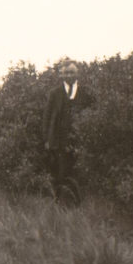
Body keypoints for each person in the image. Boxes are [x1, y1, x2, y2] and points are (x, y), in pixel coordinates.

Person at [43, 59, 94, 205]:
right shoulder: (55, 93)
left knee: (79, 172)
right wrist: (47, 139)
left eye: (72, 72)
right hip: (59, 141)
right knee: (60, 173)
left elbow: (92, 113)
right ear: (61, 75)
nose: (69, 75)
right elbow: (47, 117)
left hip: (79, 139)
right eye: (65, 73)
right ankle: (60, 203)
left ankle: (79, 203)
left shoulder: (86, 93)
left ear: (77, 73)